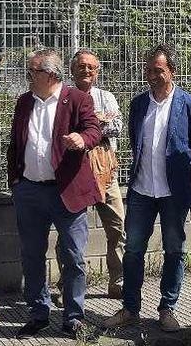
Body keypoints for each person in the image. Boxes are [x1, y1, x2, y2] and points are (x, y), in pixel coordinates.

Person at [103, 43, 191, 332]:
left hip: (174, 193)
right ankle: (130, 308)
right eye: (148, 70)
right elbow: (137, 142)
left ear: (172, 71)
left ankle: (167, 308)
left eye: (158, 70)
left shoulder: (190, 105)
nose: (151, 75)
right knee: (134, 249)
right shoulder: (138, 104)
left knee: (175, 249)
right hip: (141, 190)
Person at [7, 49, 103, 339]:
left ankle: (73, 317)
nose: (28, 76)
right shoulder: (24, 102)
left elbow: (94, 130)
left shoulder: (77, 99)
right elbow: (15, 142)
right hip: (30, 191)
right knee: (31, 255)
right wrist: (15, 180)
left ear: (50, 74)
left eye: (32, 71)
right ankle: (38, 313)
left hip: (66, 191)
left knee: (73, 255)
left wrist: (81, 139)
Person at [56, 50, 126, 301]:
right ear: (72, 70)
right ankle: (67, 285)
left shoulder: (106, 96)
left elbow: (117, 126)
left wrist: (86, 126)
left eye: (91, 67)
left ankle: (118, 281)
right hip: (74, 172)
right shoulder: (63, 97)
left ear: (97, 71)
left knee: (118, 227)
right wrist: (97, 121)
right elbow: (63, 131)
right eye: (81, 67)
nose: (86, 71)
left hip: (106, 171)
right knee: (70, 232)